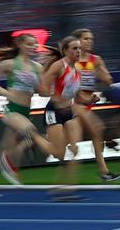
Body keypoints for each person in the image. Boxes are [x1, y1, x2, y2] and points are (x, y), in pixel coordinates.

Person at [0, 30, 77, 192]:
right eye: (29, 44)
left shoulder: (37, 67)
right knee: (30, 131)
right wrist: (4, 92)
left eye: (34, 45)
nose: (33, 47)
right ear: (19, 45)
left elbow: (42, 90)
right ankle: (10, 164)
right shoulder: (10, 64)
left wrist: (57, 91)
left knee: (4, 147)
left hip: (26, 110)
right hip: (11, 110)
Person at [38, 36, 89, 200]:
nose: (78, 51)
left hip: (69, 112)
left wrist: (90, 100)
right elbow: (42, 87)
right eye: (74, 48)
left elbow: (79, 96)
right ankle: (33, 136)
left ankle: (68, 189)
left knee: (74, 149)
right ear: (65, 51)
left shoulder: (78, 71)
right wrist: (52, 94)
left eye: (79, 48)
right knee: (59, 153)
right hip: (53, 112)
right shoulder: (58, 66)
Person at [70, 28, 120, 182]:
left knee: (73, 140)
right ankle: (103, 171)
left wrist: (105, 77)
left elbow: (107, 79)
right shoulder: (72, 60)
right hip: (73, 104)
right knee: (98, 129)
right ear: (77, 41)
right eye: (86, 38)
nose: (90, 41)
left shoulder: (96, 60)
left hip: (87, 105)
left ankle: (31, 140)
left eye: (91, 38)